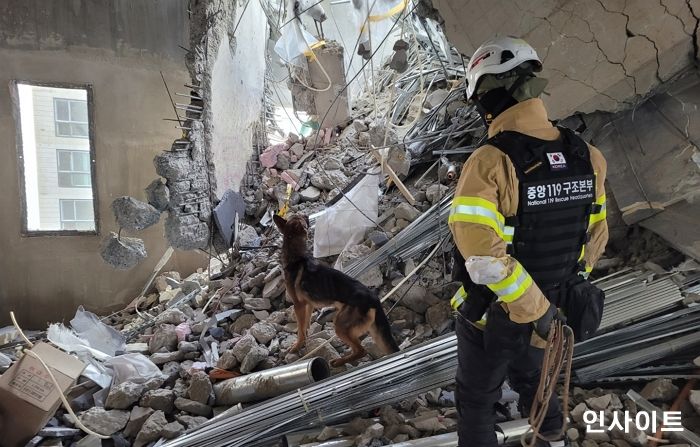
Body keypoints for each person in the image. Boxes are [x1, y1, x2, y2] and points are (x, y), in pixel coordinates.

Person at [447, 36, 608, 447]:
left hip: (493, 315)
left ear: (489, 96)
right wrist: (553, 298)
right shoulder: (588, 156)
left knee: (477, 400)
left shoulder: (489, 161)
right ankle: (552, 438)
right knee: (538, 383)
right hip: (552, 315)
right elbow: (595, 237)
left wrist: (530, 306)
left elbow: (482, 258)